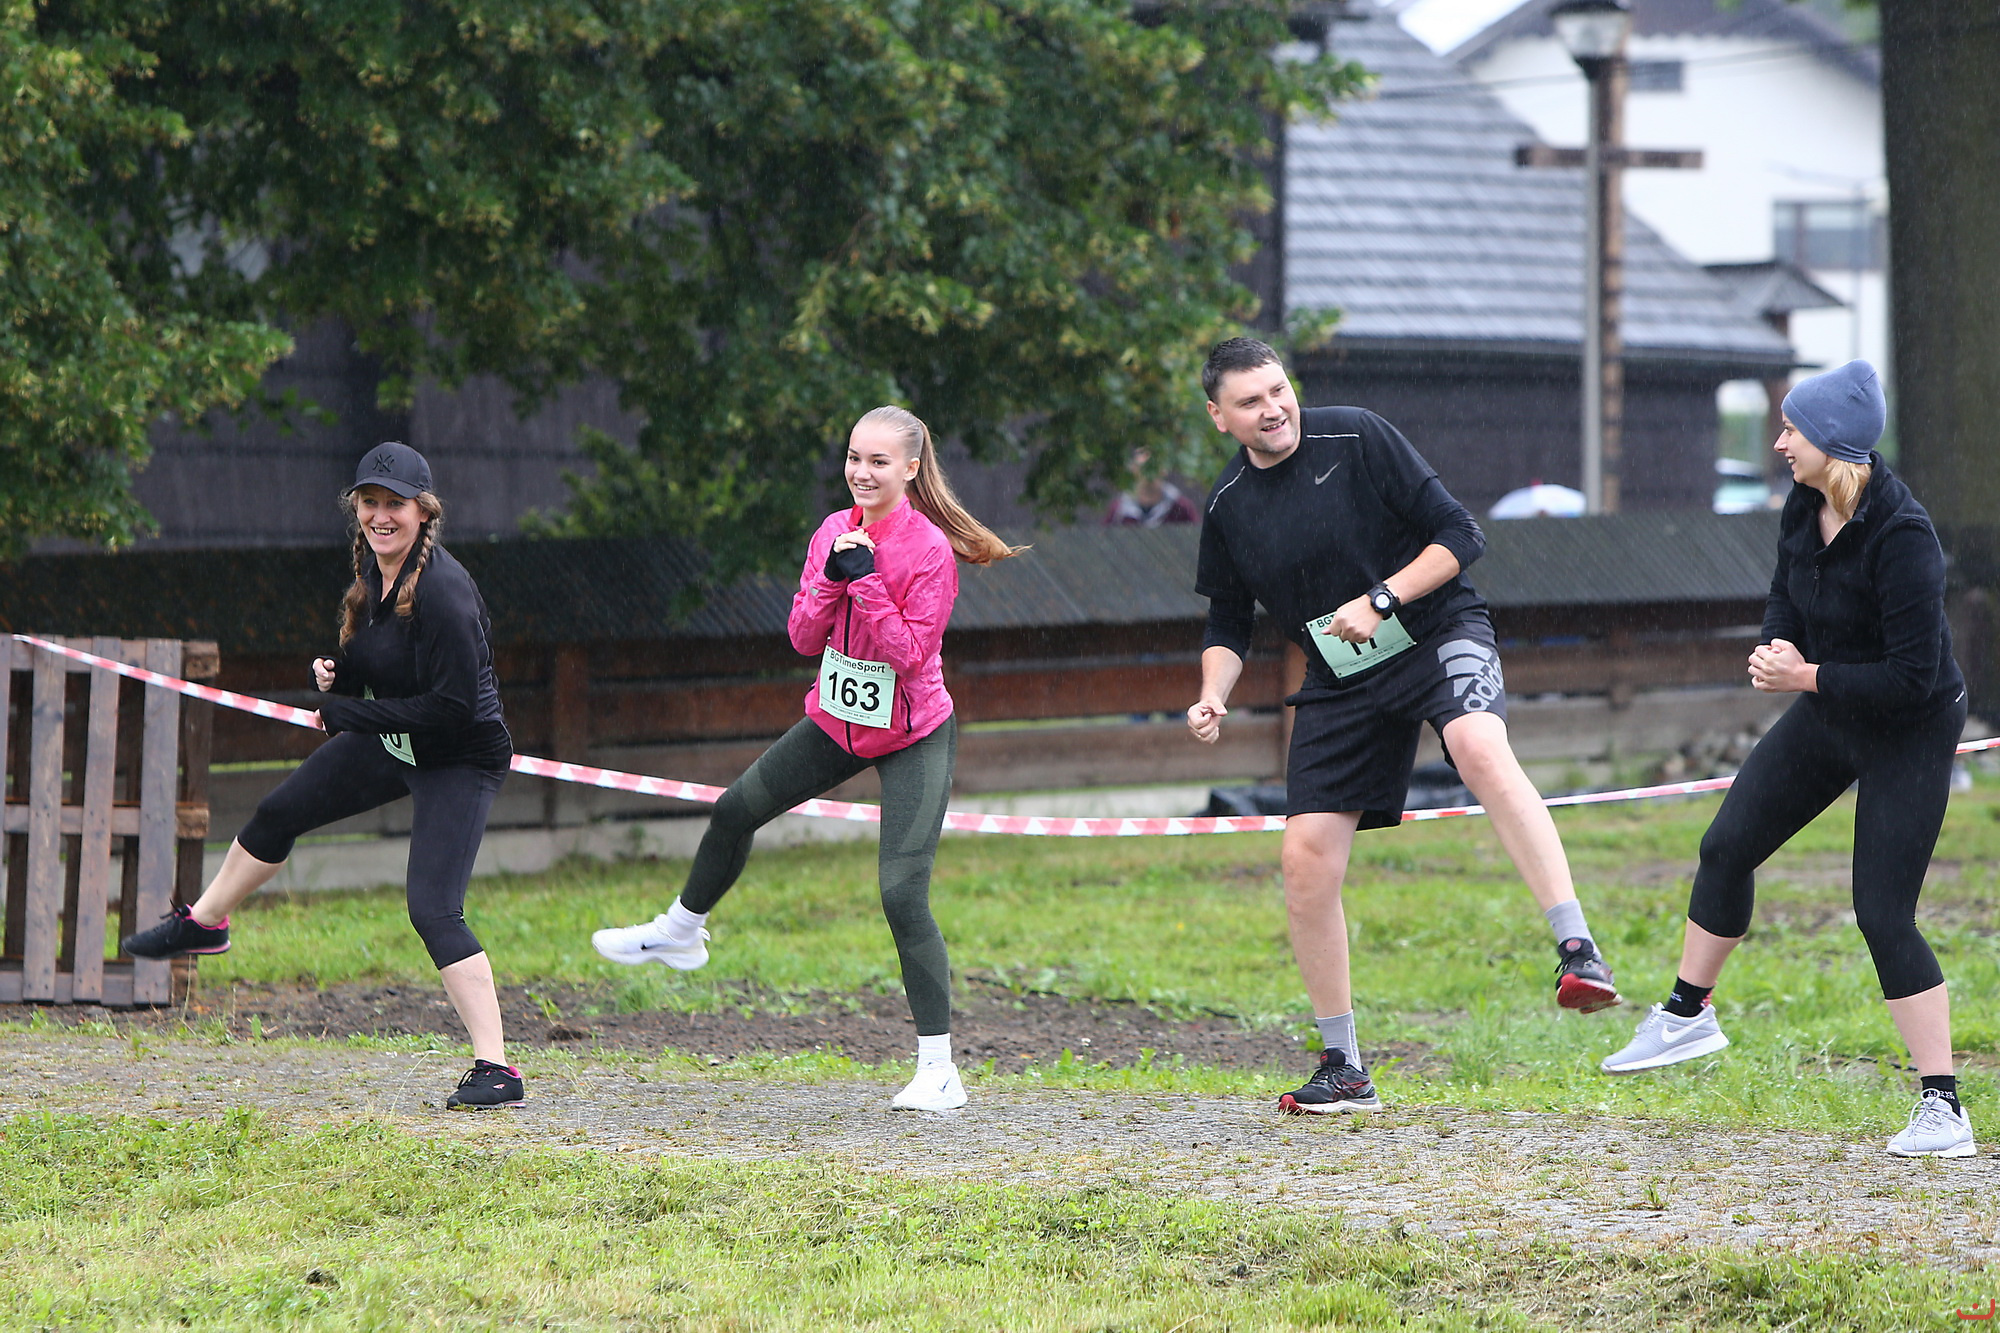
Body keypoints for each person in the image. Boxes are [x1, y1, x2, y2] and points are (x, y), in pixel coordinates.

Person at [1184, 337, 1621, 1116]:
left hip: (1435, 629)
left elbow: (1461, 536)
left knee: (1478, 745)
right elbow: (1227, 617)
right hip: (1340, 674)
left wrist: (1381, 598)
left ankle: (1578, 948)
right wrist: (1213, 693)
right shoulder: (1227, 505)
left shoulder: (1356, 433)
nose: (1274, 409)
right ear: (1219, 416)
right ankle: (1345, 1066)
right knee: (1304, 857)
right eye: (1250, 401)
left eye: (1279, 390)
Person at [591, 406, 1020, 1111]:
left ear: (911, 469)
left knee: (901, 893)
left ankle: (939, 1070)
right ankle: (681, 931)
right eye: (854, 457)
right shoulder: (831, 531)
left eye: (879, 461)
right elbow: (800, 636)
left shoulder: (928, 550)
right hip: (837, 721)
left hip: (912, 734)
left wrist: (866, 580)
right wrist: (831, 575)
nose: (862, 472)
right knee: (734, 810)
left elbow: (911, 655)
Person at [1601, 360, 1975, 1159]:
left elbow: (1912, 678)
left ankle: (1943, 1107)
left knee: (1882, 911)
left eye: (1791, 431)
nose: (1778, 444)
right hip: (1833, 705)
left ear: (1832, 444)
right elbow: (1785, 591)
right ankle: (1687, 1014)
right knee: (1725, 845)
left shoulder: (1905, 537)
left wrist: (1802, 676)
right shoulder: (1804, 503)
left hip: (1909, 725)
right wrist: (1777, 646)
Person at [122, 443, 522, 1111]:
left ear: (424, 513)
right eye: (370, 502)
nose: (380, 515)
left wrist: (350, 713)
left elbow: (453, 709)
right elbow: (386, 664)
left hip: (459, 756)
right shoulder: (374, 567)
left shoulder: (446, 594)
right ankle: (206, 923)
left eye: (395, 504)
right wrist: (341, 677)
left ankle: (498, 1069)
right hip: (397, 742)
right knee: (279, 812)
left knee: (433, 908)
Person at [1106, 447, 1200, 527]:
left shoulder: (1181, 508)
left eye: (1153, 468)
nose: (1149, 475)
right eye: (1144, 468)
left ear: (1163, 470)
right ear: (1134, 470)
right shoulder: (1119, 511)